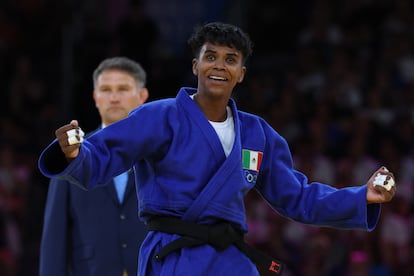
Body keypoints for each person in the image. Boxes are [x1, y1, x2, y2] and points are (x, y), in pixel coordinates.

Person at [38, 22, 396, 275]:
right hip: (174, 255)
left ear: (241, 72)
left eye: (230, 59)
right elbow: (104, 154)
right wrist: (75, 152)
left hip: (231, 260)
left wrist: (360, 198)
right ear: (196, 66)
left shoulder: (258, 134)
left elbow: (297, 197)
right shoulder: (160, 117)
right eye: (211, 57)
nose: (219, 66)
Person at [39, 57, 149, 276]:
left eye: (123, 89)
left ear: (142, 96)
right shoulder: (70, 154)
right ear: (95, 97)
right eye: (106, 89)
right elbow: (55, 238)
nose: (114, 97)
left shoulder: (161, 155)